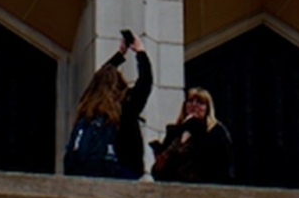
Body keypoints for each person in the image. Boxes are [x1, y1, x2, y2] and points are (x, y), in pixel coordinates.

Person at [65, 33, 152, 179]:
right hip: (122, 173)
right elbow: (145, 82)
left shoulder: (87, 108)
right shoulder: (125, 107)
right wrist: (140, 51)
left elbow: (99, 78)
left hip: (86, 175)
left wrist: (119, 55)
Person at [150, 87, 233, 184]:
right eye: (190, 101)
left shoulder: (216, 132)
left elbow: (218, 164)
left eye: (200, 103)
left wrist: (195, 126)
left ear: (207, 109)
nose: (194, 105)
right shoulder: (174, 132)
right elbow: (159, 170)